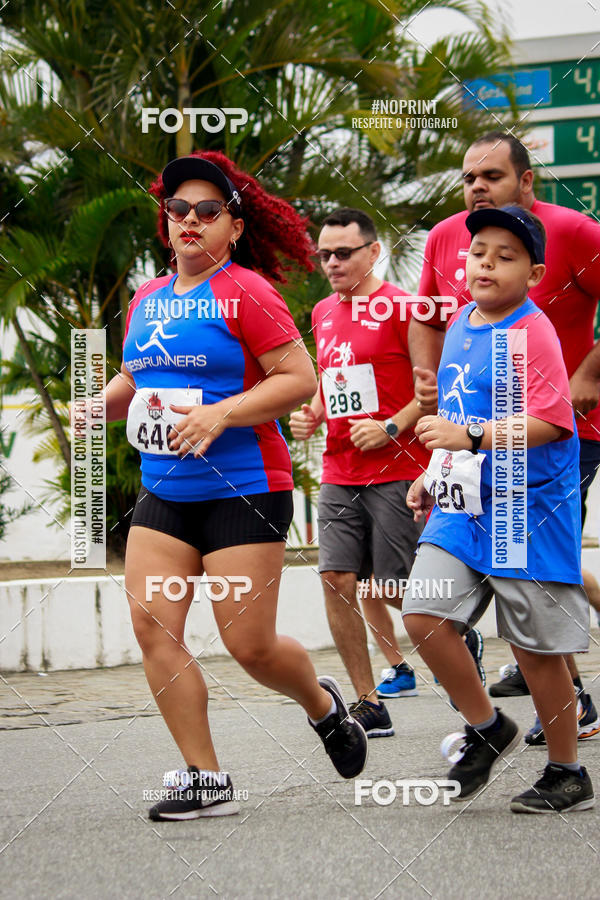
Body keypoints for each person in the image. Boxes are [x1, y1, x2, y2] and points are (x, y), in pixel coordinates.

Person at [102, 152, 367, 821]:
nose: (190, 220)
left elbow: (298, 379)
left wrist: (223, 411)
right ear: (165, 225)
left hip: (243, 488)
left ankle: (323, 705)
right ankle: (205, 776)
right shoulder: (146, 298)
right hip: (165, 493)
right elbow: (136, 381)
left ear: (234, 227)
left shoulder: (245, 292)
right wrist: (96, 405)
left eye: (208, 211)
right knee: (153, 625)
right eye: (177, 210)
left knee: (249, 646)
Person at [404, 204, 595, 813]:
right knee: (424, 614)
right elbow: (454, 414)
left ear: (534, 273)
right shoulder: (460, 322)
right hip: (464, 505)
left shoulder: (532, 330)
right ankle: (489, 728)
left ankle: (567, 772)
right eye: (477, 251)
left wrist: (474, 439)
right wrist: (432, 475)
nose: (485, 262)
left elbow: (549, 422)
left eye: (504, 256)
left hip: (526, 507)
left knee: (535, 650)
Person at [289, 208, 430, 738]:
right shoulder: (324, 310)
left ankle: (459, 636)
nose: (331, 263)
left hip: (399, 467)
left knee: (397, 588)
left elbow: (432, 387)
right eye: (324, 254)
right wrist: (315, 412)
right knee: (336, 579)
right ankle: (368, 702)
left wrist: (393, 427)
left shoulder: (404, 307)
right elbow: (333, 376)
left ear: (373, 252)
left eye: (342, 253)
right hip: (340, 467)